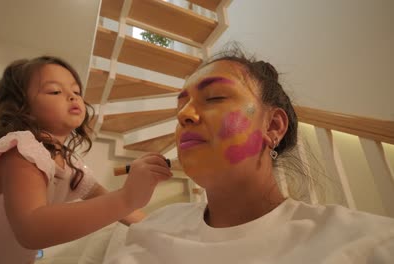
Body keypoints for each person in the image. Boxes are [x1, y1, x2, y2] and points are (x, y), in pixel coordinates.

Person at [104, 46, 394, 263]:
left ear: (273, 126)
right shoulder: (154, 226)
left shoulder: (364, 243)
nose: (184, 115)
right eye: (180, 105)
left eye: (215, 97)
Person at [0, 56, 172, 264]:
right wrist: (127, 197)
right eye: (55, 91)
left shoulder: (71, 166)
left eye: (76, 91)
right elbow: (32, 230)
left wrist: (164, 232)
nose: (73, 97)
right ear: (23, 107)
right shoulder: (21, 150)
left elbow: (121, 209)